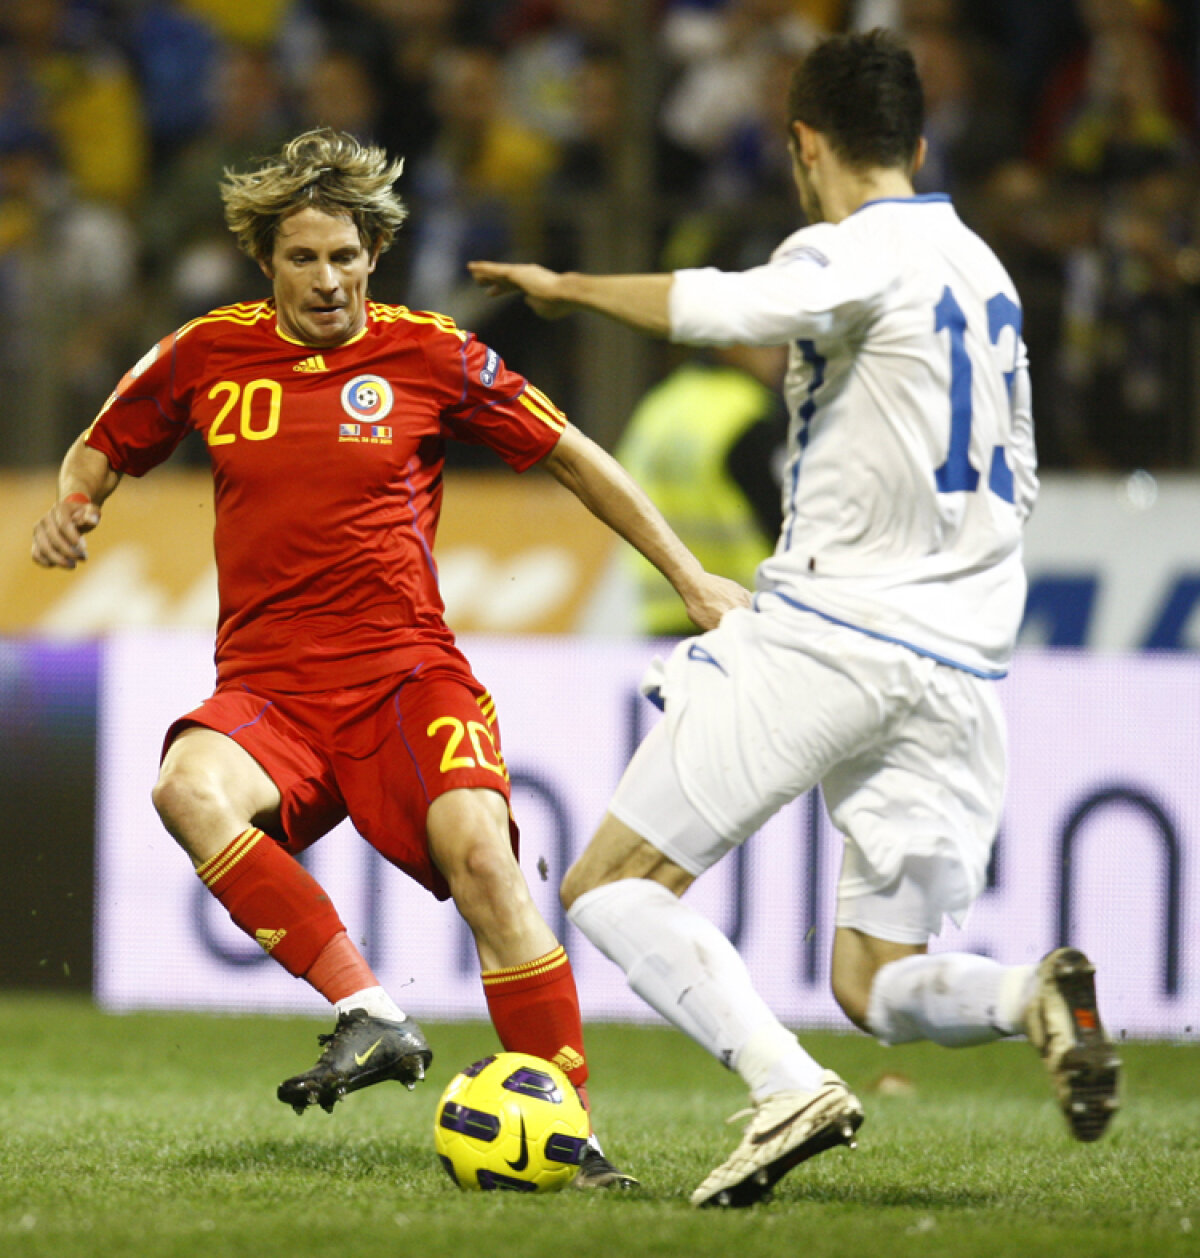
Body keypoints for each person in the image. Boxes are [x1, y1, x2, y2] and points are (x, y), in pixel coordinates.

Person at [470, 28, 1121, 1208]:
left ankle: (785, 1087)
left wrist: (569, 289)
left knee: (611, 889)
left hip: (836, 631)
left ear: (803, 145)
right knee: (877, 980)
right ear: (919, 147)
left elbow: (729, 306)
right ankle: (1029, 991)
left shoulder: (854, 250)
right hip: (963, 669)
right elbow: (1018, 475)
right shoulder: (989, 273)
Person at [31, 127, 745, 1189]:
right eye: (304, 258)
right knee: (186, 788)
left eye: (347, 256)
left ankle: (570, 1133)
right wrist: (76, 503)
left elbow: (574, 456)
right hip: (269, 689)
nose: (329, 280)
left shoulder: (432, 355)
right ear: (265, 262)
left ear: (376, 253)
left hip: (406, 677)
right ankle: (369, 1010)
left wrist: (691, 578)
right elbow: (102, 441)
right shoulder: (206, 354)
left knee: (487, 862)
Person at [615, 341, 787, 637]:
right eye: (766, 343)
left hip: (661, 614)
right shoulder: (747, 413)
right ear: (727, 342)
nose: (780, 355)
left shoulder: (660, 406)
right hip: (736, 613)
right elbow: (784, 527)